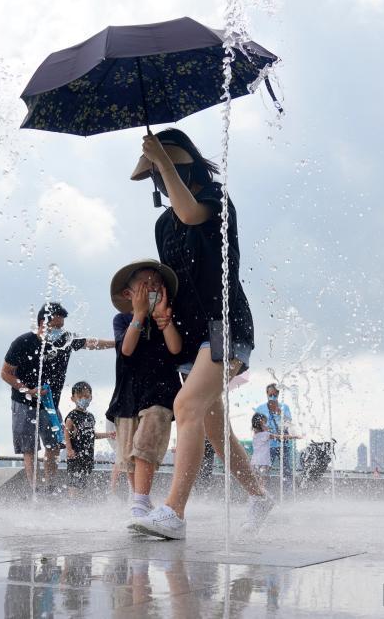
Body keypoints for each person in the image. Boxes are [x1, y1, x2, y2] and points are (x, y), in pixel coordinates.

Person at [128, 129, 272, 540]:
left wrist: (162, 157)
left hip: (225, 323)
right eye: (155, 174)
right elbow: (172, 277)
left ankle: (174, 513)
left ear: (182, 164)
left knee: (185, 405)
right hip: (191, 336)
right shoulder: (161, 225)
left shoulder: (215, 201)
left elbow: (190, 214)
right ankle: (259, 496)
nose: (159, 180)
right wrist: (159, 309)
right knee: (213, 427)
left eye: (164, 170)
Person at [0, 302, 114, 489]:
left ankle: (49, 487)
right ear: (41, 324)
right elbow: (5, 373)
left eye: (61, 327)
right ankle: (34, 488)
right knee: (30, 449)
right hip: (23, 402)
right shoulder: (22, 342)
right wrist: (28, 390)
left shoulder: (64, 340)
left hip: (50, 404)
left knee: (53, 446)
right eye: (55, 327)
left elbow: (90, 343)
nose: (59, 331)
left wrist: (118, 344)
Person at [105, 259, 182, 524]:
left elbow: (175, 349)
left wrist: (164, 319)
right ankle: (140, 498)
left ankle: (139, 502)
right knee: (129, 453)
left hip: (160, 391)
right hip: (129, 393)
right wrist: (138, 315)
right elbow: (126, 349)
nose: (151, 288)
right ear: (128, 294)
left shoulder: (168, 316)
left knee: (145, 444)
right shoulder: (122, 319)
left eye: (156, 285)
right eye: (144, 285)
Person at [64, 381, 115, 498]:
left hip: (87, 456)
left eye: (86, 396)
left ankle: (79, 501)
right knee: (74, 481)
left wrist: (108, 434)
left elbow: (92, 435)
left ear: (91, 397)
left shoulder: (90, 416)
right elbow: (66, 433)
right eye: (80, 396)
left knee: (82, 482)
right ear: (73, 398)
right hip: (75, 455)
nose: (83, 399)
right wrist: (69, 449)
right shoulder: (72, 416)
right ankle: (72, 501)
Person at [252, 383, 301, 493]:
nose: (273, 397)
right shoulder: (260, 408)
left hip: (284, 445)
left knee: (287, 471)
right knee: (264, 470)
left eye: (275, 395)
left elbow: (289, 424)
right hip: (268, 446)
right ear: (267, 394)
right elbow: (256, 428)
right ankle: (264, 492)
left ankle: (289, 494)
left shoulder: (284, 407)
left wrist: (280, 413)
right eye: (271, 395)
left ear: (278, 394)